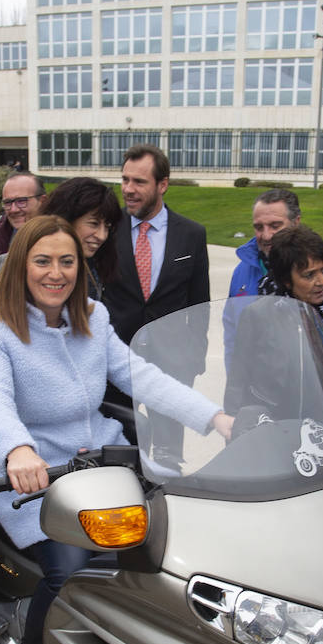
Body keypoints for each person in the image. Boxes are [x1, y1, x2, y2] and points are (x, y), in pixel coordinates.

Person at [0, 214, 232, 644]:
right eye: (42, 261)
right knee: (69, 573)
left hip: (105, 462)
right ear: (21, 265)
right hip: (39, 479)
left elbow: (142, 376)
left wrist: (214, 416)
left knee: (169, 551)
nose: (55, 272)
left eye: (67, 261)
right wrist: (18, 451)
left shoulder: (92, 316)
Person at [0, 177, 123, 632]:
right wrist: (16, 445)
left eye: (107, 226)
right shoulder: (15, 263)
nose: (99, 234)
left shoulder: (93, 270)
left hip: (54, 397)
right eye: (92, 223)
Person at [101, 144, 212, 462]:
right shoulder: (107, 230)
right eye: (125, 180)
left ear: (162, 184)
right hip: (117, 360)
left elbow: (199, 302)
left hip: (173, 364)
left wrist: (194, 356)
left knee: (168, 455)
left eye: (139, 182)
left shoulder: (191, 234)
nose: (128, 190)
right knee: (122, 448)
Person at [229, 187, 323, 305]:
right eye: (259, 227)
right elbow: (231, 327)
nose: (266, 235)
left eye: (275, 226)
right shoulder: (242, 271)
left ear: (296, 222)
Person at [258, 224, 323, 373]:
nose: (321, 281)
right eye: (309, 275)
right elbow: (241, 381)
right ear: (285, 279)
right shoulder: (259, 315)